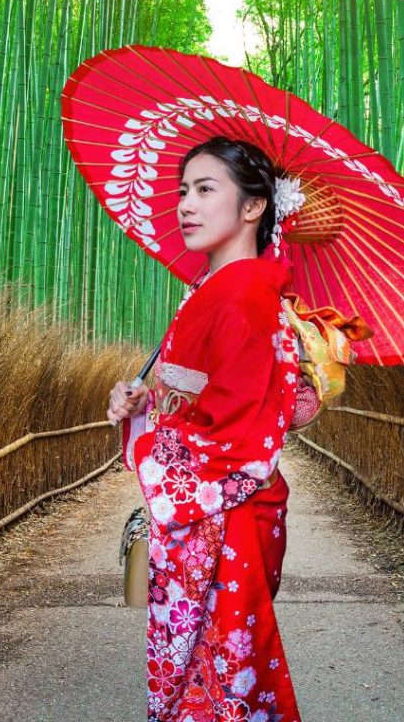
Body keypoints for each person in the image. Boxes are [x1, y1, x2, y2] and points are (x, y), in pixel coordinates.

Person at [108, 135, 303, 722]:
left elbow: (234, 429)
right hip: (214, 511)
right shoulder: (214, 290)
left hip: (226, 512)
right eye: (182, 191)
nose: (185, 205)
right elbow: (195, 399)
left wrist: (151, 437)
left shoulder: (244, 293)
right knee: (214, 681)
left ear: (253, 207)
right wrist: (144, 400)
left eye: (204, 189)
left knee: (221, 682)